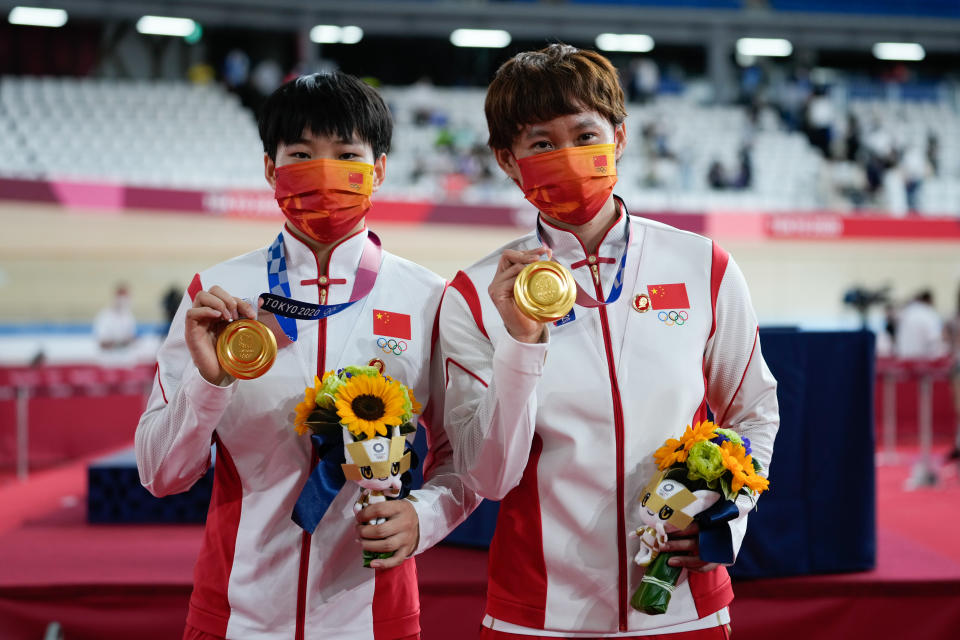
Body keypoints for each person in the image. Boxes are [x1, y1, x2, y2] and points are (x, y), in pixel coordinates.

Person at [438, 44, 779, 639]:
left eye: (584, 134)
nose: (567, 156)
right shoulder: (472, 296)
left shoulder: (704, 265)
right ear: (506, 160)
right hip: (537, 615)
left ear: (619, 137)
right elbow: (489, 479)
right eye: (541, 143)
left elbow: (752, 413)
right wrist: (522, 344)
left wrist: (727, 518)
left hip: (684, 607)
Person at [136, 73, 479, 640]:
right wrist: (210, 383)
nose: (323, 172)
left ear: (380, 170)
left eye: (346, 154)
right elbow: (161, 474)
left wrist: (426, 516)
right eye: (301, 154)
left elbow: (464, 460)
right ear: (270, 169)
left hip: (376, 618)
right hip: (235, 616)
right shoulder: (217, 295)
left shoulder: (428, 298)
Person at [93, 283, 136, 350]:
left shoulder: (128, 316)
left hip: (125, 357)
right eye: (121, 298)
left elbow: (130, 337)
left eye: (125, 299)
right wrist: (119, 343)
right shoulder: (105, 316)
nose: (123, 302)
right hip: (108, 357)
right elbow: (101, 342)